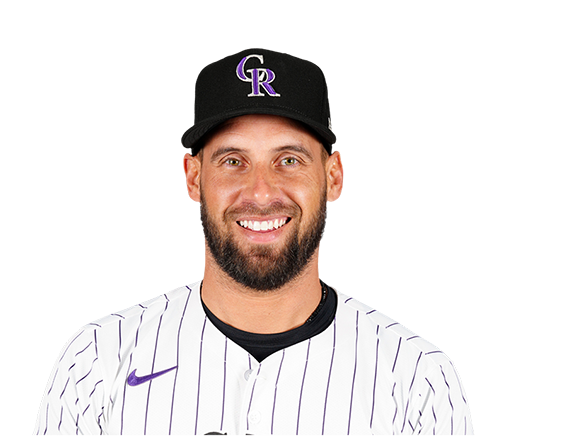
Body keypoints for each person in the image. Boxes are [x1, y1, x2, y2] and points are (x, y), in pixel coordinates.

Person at [33, 49, 472, 436]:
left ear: (333, 177)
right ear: (194, 177)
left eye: (289, 160)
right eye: (233, 161)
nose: (261, 194)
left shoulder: (415, 378)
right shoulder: (98, 361)